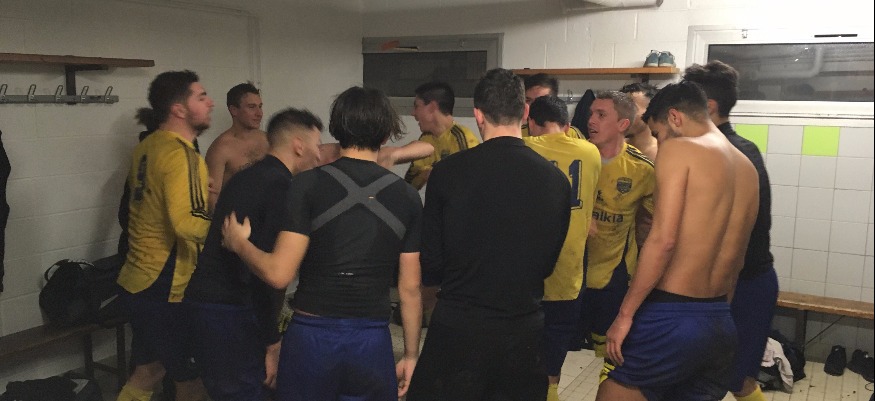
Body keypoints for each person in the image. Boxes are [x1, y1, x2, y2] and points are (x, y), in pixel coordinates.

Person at [222, 86, 423, 401]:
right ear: (386, 135)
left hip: (312, 338)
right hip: (371, 340)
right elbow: (409, 289)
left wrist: (239, 243)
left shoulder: (306, 185)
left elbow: (278, 274)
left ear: (337, 129)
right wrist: (411, 355)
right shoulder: (407, 197)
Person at [406, 68, 571, 401]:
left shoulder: (447, 173)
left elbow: (432, 265)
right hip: (523, 330)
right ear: (524, 112)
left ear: (478, 114)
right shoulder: (556, 181)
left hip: (458, 326)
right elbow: (548, 264)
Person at [596, 81, 760, 401]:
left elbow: (663, 240)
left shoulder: (680, 149)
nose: (660, 142)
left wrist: (625, 315)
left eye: (657, 134)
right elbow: (738, 259)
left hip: (672, 316)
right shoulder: (747, 167)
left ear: (674, 118)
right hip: (720, 319)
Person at [184, 108, 324, 401]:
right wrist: (271, 340)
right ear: (298, 145)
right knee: (246, 391)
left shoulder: (248, 176)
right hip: (229, 308)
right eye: (317, 145)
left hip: (209, 301)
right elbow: (264, 271)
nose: (319, 154)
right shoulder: (279, 186)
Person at [116, 70, 213, 401]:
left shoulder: (147, 146)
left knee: (149, 372)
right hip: (165, 286)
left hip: (137, 280)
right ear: (179, 109)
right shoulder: (181, 154)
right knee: (192, 382)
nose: (210, 103)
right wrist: (232, 234)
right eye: (201, 97)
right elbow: (187, 223)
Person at [685, 61, 779, 401]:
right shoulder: (721, 148)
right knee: (706, 379)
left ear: (709, 107)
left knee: (739, 381)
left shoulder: (732, 152)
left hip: (745, 286)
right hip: (724, 285)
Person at [523, 95, 601, 401]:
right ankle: (552, 388)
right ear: (567, 126)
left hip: (528, 266)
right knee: (557, 335)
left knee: (525, 335)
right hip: (569, 265)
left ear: (531, 123)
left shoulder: (524, 147)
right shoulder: (590, 152)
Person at [577, 91, 654, 360]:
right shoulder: (576, 156)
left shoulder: (642, 169)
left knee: (610, 352)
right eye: (591, 113)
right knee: (560, 347)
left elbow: (657, 223)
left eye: (601, 115)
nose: (591, 120)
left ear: (623, 124)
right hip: (572, 272)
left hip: (614, 273)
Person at [403, 81, 479, 190]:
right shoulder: (425, 138)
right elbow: (409, 185)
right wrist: (426, 174)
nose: (413, 113)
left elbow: (471, 183)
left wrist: (439, 174)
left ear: (432, 107)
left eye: (417, 106)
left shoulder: (462, 138)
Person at [206, 83, 267, 211]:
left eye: (260, 107)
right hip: (238, 217)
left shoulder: (268, 139)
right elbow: (212, 198)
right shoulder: (221, 148)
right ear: (234, 110)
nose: (259, 113)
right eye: (252, 107)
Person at [521, 73, 585, 139]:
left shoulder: (571, 134)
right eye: (528, 100)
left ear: (554, 102)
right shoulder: (518, 133)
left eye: (541, 101)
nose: (533, 106)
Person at [619, 82, 659, 161]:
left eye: (631, 108)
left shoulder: (663, 153)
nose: (622, 114)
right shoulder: (611, 150)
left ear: (651, 111)